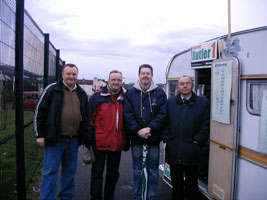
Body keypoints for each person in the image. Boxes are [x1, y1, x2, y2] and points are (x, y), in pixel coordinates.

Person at [34, 63, 90, 200]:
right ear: (62, 75)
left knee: (69, 172)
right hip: (54, 139)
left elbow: (85, 115)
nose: (71, 77)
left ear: (77, 75)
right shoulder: (52, 90)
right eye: (68, 74)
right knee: (50, 173)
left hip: (73, 140)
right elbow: (39, 112)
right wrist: (39, 135)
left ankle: (66, 197)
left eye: (74, 74)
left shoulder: (81, 93)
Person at [124, 64, 167, 200]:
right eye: (143, 73)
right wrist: (138, 130)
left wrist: (149, 128)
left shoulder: (159, 93)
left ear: (152, 76)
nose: (145, 76)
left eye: (148, 73)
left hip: (153, 139)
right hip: (136, 140)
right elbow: (128, 114)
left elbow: (162, 114)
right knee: (137, 170)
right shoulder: (130, 93)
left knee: (153, 171)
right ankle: (138, 196)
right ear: (139, 75)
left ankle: (151, 196)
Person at [163, 75, 210, 200]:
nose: (185, 86)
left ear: (192, 86)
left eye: (187, 83)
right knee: (176, 185)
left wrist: (197, 140)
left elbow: (206, 125)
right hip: (174, 151)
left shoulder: (203, 103)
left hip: (192, 151)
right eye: (182, 84)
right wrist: (168, 139)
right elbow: (165, 123)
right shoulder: (170, 102)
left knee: (192, 185)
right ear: (178, 87)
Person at [86, 70, 127, 200]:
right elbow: (89, 120)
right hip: (100, 143)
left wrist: (127, 141)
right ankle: (95, 197)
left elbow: (128, 121)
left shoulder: (125, 98)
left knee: (113, 174)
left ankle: (109, 196)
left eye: (118, 80)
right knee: (97, 173)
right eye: (113, 79)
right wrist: (89, 140)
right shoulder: (97, 97)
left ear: (122, 81)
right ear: (108, 80)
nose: (116, 82)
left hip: (116, 143)